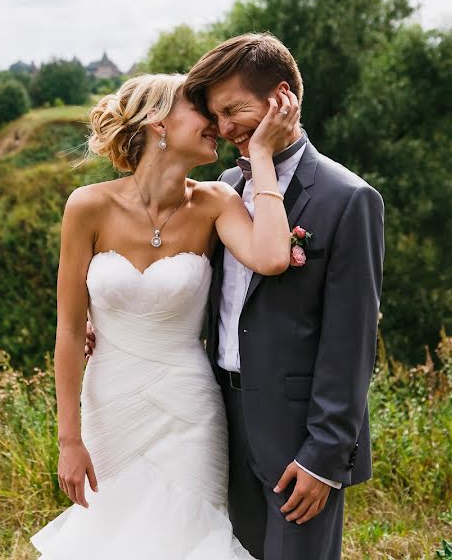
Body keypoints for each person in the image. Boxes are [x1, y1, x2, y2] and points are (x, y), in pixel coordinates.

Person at [86, 33, 386, 559]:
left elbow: (352, 342)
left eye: (233, 111)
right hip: (214, 419)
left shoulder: (348, 199)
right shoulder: (226, 186)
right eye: (215, 116)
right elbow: (183, 280)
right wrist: (112, 318)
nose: (224, 129)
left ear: (281, 98)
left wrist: (324, 455)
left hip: (298, 438)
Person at [30, 72, 298, 559]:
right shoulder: (87, 207)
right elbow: (69, 332)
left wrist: (259, 156)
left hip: (190, 409)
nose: (216, 122)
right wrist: (68, 440)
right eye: (200, 109)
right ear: (158, 122)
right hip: (110, 405)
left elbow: (273, 256)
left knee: (191, 536)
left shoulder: (216, 202)